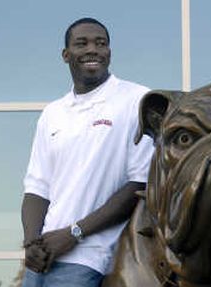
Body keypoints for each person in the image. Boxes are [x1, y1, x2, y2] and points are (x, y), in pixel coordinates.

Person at [21, 17, 154, 287]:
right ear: (66, 55)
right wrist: (31, 242)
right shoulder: (53, 112)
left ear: (109, 52)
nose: (92, 49)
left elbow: (139, 184)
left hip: (89, 256)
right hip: (45, 255)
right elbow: (37, 188)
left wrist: (74, 233)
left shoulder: (136, 100)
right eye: (81, 43)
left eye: (100, 43)